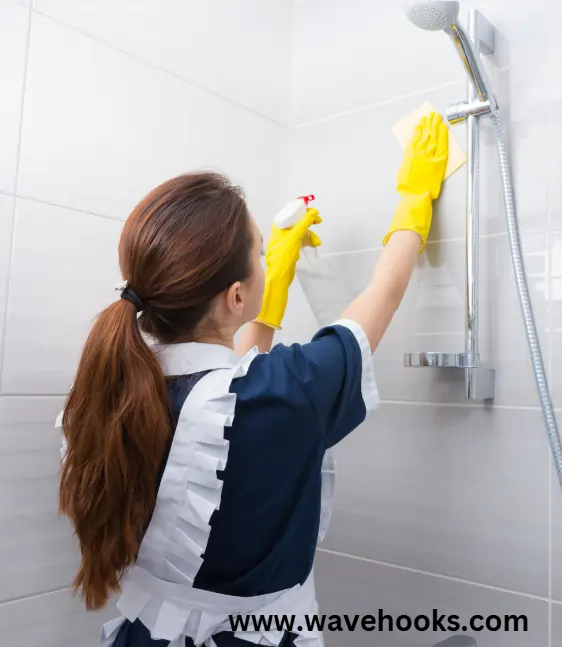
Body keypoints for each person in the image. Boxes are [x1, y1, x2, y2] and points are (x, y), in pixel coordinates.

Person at [57, 113, 449, 647]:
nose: (269, 260)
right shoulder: (284, 390)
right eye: (260, 251)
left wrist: (270, 289)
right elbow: (381, 296)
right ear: (235, 296)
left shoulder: (108, 392)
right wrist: (415, 199)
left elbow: (224, 408)